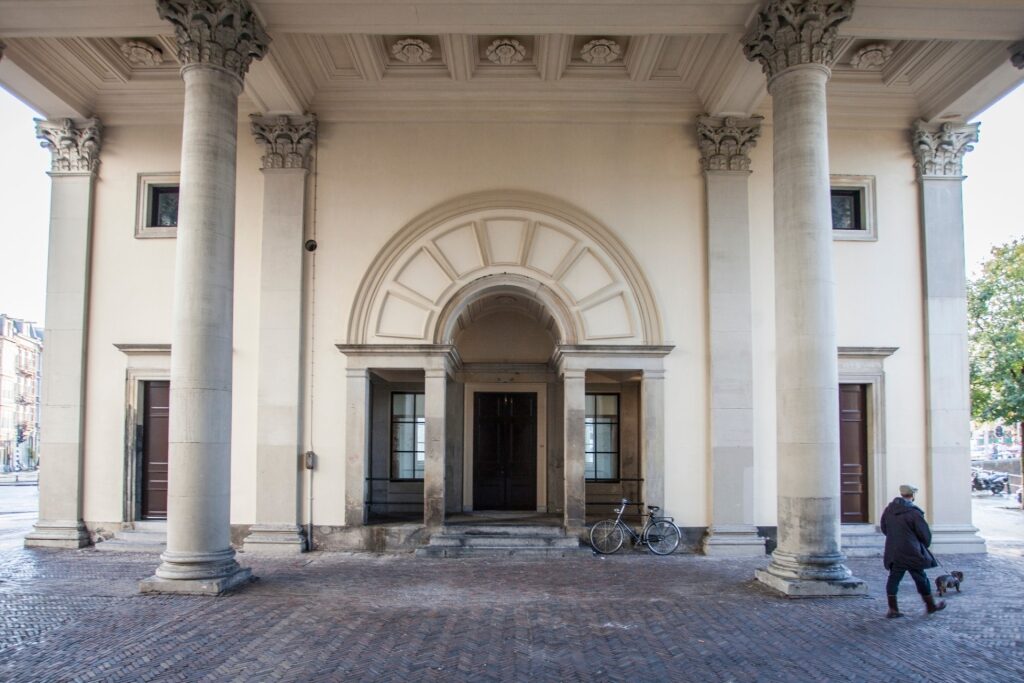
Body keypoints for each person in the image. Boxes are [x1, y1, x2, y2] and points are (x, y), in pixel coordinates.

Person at [880, 484, 946, 617]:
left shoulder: (889, 510)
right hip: (912, 552)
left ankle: (893, 609)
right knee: (921, 578)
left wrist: (895, 538)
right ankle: (930, 605)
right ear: (913, 495)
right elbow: (924, 534)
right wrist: (923, 544)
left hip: (894, 550)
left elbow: (884, 528)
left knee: (893, 579)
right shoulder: (914, 513)